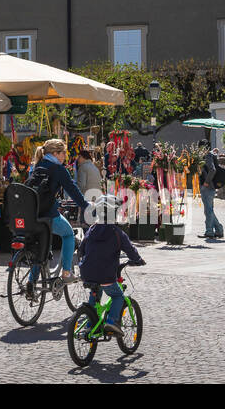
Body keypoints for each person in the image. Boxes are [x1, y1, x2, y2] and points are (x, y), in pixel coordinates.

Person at [76, 196, 146, 338]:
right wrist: (138, 260)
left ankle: (90, 324)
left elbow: (81, 249)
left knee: (95, 293)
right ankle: (112, 322)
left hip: (87, 273)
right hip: (106, 274)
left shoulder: (91, 229)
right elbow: (130, 250)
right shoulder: (117, 233)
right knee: (117, 296)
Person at [27, 138, 89, 283]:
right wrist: (85, 205)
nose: (65, 157)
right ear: (55, 153)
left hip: (32, 213)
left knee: (41, 245)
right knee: (68, 235)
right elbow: (72, 190)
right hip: (48, 213)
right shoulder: (58, 169)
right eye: (63, 153)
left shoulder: (38, 164)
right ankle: (66, 273)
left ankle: (31, 282)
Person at [198, 147, 225, 240]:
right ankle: (218, 229)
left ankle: (210, 231)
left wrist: (206, 181)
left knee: (208, 210)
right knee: (209, 210)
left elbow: (212, 169)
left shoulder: (208, 155)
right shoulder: (210, 155)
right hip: (209, 186)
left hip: (208, 186)